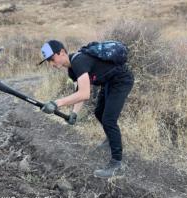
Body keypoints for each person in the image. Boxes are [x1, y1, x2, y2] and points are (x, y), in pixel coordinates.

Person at [38, 40, 134, 178]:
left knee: (109, 120)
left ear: (62, 52)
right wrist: (74, 113)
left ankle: (117, 164)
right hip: (109, 82)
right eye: (48, 61)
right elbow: (80, 92)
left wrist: (56, 103)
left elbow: (84, 94)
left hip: (122, 80)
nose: (51, 64)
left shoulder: (79, 61)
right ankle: (110, 140)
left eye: (52, 58)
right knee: (99, 112)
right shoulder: (72, 70)